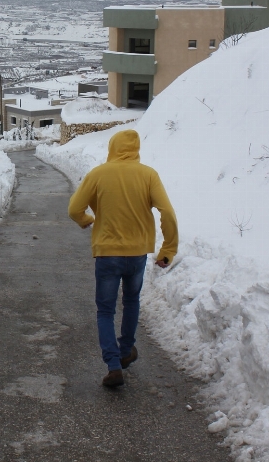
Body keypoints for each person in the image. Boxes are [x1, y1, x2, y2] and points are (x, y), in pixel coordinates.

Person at [68, 129, 178, 388]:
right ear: (136, 149)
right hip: (137, 253)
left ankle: (113, 363)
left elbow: (74, 208)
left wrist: (87, 221)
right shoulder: (148, 175)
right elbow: (168, 213)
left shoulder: (98, 174)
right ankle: (126, 349)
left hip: (107, 253)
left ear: (112, 148)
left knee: (105, 310)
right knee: (131, 301)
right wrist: (168, 249)